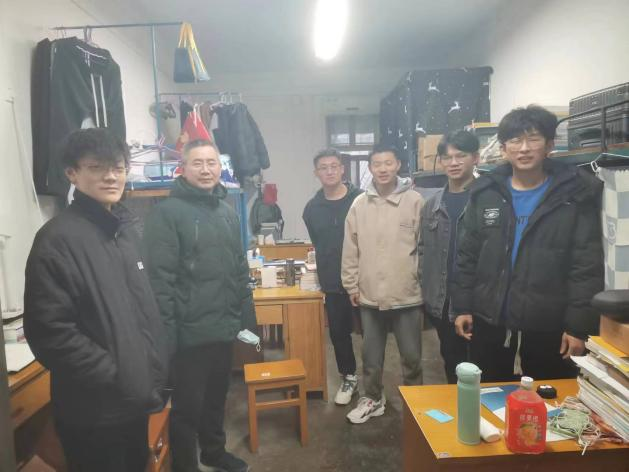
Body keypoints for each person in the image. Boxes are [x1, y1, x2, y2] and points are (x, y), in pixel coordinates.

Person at [23, 128, 168, 472]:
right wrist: (115, 373)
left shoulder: (124, 233)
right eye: (96, 167)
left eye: (118, 167)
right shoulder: (56, 239)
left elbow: (141, 312)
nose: (110, 176)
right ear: (72, 173)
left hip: (132, 401)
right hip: (94, 411)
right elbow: (50, 332)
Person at [452, 105, 604, 382]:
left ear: (549, 145)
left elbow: (586, 266)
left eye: (533, 139)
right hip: (491, 321)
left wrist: (578, 327)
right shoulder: (486, 193)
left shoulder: (574, 195)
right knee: (489, 393)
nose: (524, 148)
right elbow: (467, 255)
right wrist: (462, 307)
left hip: (549, 325)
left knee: (548, 397)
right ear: (503, 149)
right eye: (515, 140)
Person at [143, 139, 255, 472]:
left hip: (223, 328)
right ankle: (185, 466)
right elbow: (159, 282)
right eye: (198, 163)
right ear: (183, 168)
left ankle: (214, 452)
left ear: (220, 168)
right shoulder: (166, 214)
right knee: (187, 409)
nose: (206, 170)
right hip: (189, 334)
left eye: (211, 163)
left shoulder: (227, 212)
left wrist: (245, 319)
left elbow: (239, 269)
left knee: (217, 399)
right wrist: (167, 338)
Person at [342, 144, 424, 424]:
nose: (383, 169)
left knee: (412, 356)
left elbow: (424, 248)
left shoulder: (414, 201)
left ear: (398, 164)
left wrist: (420, 281)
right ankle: (373, 398)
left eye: (388, 163)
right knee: (371, 356)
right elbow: (350, 248)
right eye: (377, 164)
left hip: (406, 293)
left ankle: (416, 403)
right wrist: (351, 285)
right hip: (370, 294)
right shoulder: (359, 204)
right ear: (370, 168)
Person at [303, 148, 363, 405]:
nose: (329, 171)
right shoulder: (311, 209)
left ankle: (375, 386)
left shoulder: (361, 200)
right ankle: (349, 377)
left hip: (364, 280)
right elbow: (319, 243)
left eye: (334, 166)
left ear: (342, 169)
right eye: (323, 168)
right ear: (316, 173)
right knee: (339, 333)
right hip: (333, 282)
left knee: (372, 335)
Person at [419, 130, 479, 384]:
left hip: (480, 302)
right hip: (442, 301)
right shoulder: (432, 205)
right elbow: (423, 250)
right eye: (447, 157)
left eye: (460, 156)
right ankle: (459, 405)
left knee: (483, 366)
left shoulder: (488, 199)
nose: (453, 163)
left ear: (475, 158)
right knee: (452, 363)